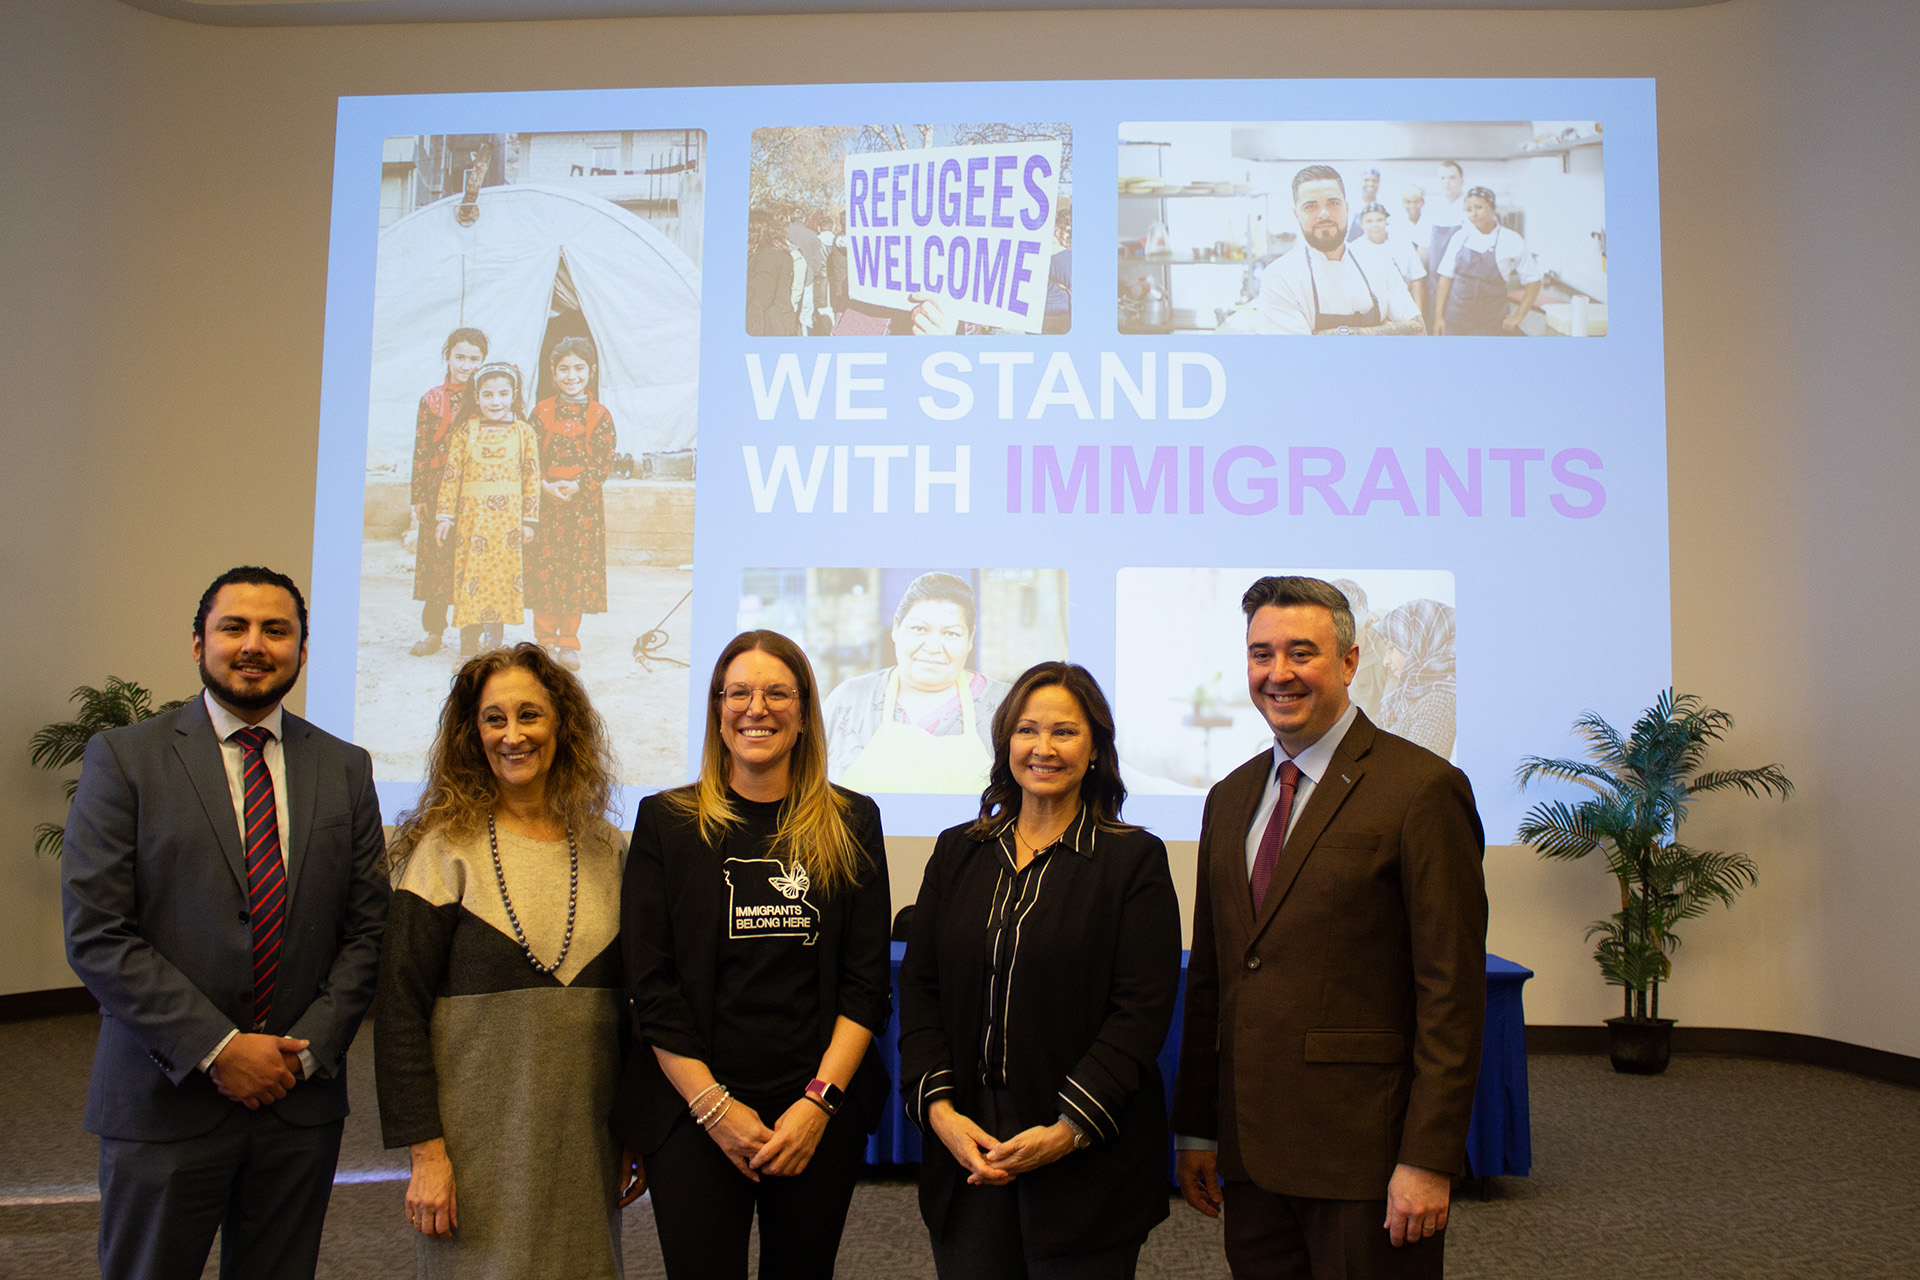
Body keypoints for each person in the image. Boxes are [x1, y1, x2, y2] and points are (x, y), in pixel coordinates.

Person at [61, 566, 389, 1279]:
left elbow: (367, 931)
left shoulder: (344, 767)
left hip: (298, 1104)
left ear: (303, 652)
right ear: (197, 643)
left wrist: (301, 1055)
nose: (254, 645)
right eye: (234, 627)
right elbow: (97, 932)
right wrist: (219, 1048)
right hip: (165, 1095)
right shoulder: (124, 759)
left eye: (277, 630)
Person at [1171, 575, 1487, 1280]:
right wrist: (1197, 1128)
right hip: (1251, 1157)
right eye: (1261, 654)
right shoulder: (1228, 800)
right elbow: (1216, 979)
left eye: (1301, 652)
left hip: (1364, 1161)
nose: (1277, 673)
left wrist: (1428, 1159)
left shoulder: (1423, 790)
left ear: (1348, 662)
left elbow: (1451, 995)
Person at [614, 630, 893, 1279]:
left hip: (817, 1112)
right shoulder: (668, 822)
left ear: (803, 713)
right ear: (717, 708)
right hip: (694, 1112)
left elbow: (865, 985)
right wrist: (714, 1108)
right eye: (739, 692)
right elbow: (650, 987)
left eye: (776, 693)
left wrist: (817, 1103)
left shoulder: (852, 821)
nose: (756, 708)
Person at [899, 662, 1182, 1279]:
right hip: (966, 1143)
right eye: (1028, 730)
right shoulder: (958, 851)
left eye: (1065, 732)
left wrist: (1068, 1129)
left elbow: (1140, 1013)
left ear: (1096, 750)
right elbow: (919, 991)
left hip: (1085, 1154)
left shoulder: (1133, 860)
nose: (1044, 748)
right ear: (1005, 744)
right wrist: (940, 1113)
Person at [376, 643, 636, 1279]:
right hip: (472, 1152)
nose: (513, 735)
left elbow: (635, 1012)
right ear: (473, 734)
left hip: (584, 1145)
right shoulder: (443, 853)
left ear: (563, 726)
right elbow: (399, 1012)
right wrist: (426, 1156)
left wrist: (634, 1133)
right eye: (495, 719)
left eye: (530, 715)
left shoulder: (612, 852)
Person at [822, 572, 1013, 793]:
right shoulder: (849, 700)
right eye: (919, 629)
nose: (932, 647)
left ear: (970, 638)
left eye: (951, 633)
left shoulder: (1007, 705)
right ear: (896, 627)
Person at [436, 361, 541, 656]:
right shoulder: (465, 432)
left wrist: (529, 521)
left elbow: (532, 476)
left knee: (500, 584)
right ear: (477, 396)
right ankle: (468, 651)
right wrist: (444, 517)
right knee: (470, 581)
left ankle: (493, 650)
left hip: (507, 527)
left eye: (503, 394)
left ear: (514, 394)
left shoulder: (524, 433)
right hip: (472, 525)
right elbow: (451, 476)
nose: (496, 402)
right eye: (488, 395)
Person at [526, 337, 617, 670]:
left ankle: (569, 642)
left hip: (583, 508)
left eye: (579, 368)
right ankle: (543, 640)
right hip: (547, 504)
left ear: (591, 371)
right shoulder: (541, 411)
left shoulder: (600, 414)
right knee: (545, 570)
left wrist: (578, 485)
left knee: (575, 573)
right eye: (564, 368)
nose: (571, 375)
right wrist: (544, 486)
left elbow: (604, 461)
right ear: (553, 372)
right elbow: (530, 456)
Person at [1255, 166, 1422, 336]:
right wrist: (1384, 329)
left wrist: (1325, 334)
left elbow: (1418, 329)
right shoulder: (1280, 277)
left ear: (1346, 208)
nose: (1324, 214)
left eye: (1333, 203)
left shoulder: (1378, 262)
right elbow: (1297, 355)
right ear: (1296, 214)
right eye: (1311, 206)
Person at [411, 327, 489, 657]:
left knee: (473, 563)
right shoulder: (431, 399)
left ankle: (471, 639)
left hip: (474, 493)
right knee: (435, 562)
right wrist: (418, 496)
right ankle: (433, 632)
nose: (466, 365)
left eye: (474, 359)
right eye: (460, 357)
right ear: (448, 357)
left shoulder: (488, 397)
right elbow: (421, 450)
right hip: (435, 489)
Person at [1433, 188, 1543, 336]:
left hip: (1492, 322)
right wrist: (1439, 317)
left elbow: (1533, 281)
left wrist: (1519, 316)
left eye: (1479, 207)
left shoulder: (1511, 239)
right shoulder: (1460, 237)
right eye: (1469, 209)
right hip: (1457, 319)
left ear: (1492, 208)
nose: (1474, 213)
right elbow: (1445, 277)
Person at [1375, 599, 1457, 760]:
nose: (1386, 661)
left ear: (1419, 643)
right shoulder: (1402, 699)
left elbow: (1413, 776)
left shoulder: (1439, 703)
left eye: (1391, 648)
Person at [1351, 203, 1427, 320]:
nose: (1375, 225)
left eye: (1379, 220)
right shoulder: (1355, 248)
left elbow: (1417, 279)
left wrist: (1419, 314)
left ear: (1386, 221)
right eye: (1369, 221)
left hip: (1402, 304)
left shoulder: (1403, 244)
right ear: (1362, 224)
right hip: (1370, 310)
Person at [746, 210, 803, 336]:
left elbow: (761, 299)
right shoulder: (775, 252)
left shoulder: (767, 256)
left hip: (770, 325)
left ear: (756, 232)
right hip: (779, 321)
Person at [1345, 168, 1384, 241]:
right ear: (1359, 182)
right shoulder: (1348, 208)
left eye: (1374, 181)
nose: (1370, 184)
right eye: (1366, 180)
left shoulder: (1383, 210)